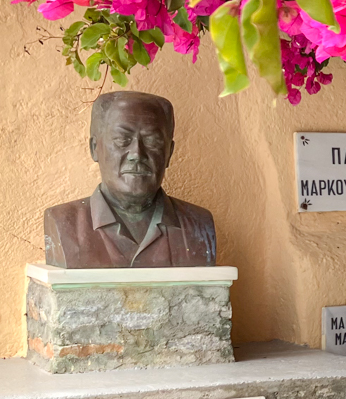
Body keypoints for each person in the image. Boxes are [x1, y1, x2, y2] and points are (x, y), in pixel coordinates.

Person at [44, 91, 217, 268]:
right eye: (122, 140)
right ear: (95, 148)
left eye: (152, 141)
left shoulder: (199, 226)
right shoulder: (64, 223)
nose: (137, 154)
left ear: (169, 153)